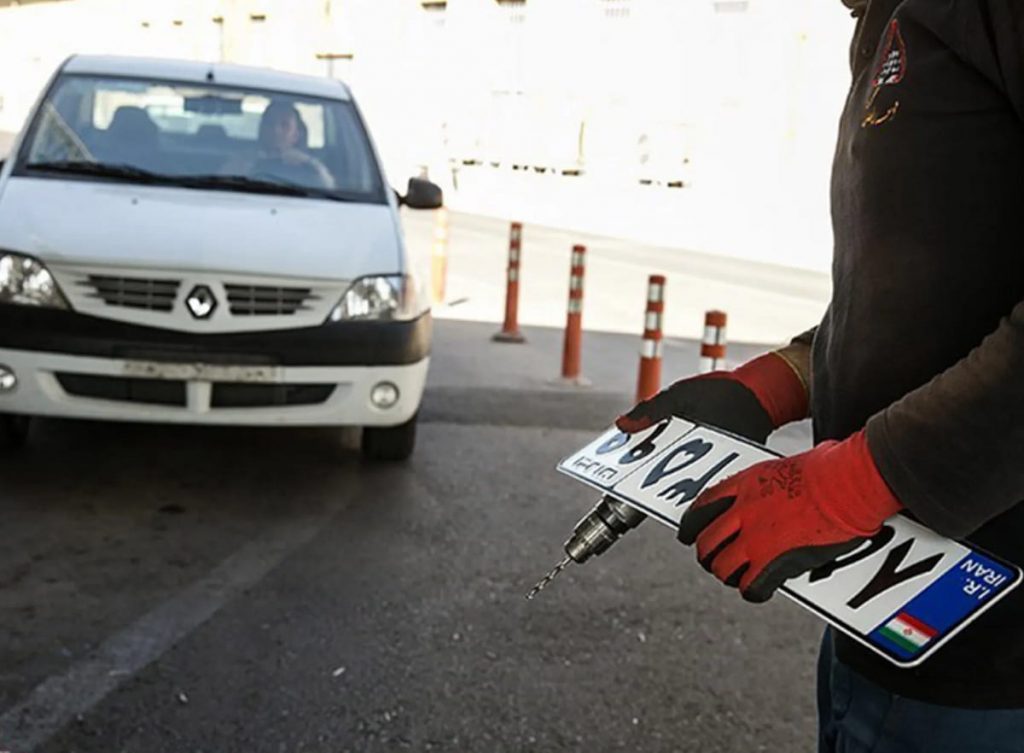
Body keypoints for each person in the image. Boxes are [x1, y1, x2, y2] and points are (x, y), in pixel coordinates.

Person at [615, 1, 1024, 750]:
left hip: (996, 668)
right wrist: (775, 382)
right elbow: (933, 291)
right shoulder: (890, 16)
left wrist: (851, 484)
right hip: (890, 615)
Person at [225, 101, 334, 189]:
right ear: (262, 129)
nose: (276, 130)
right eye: (270, 124)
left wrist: (309, 163)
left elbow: (331, 188)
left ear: (296, 134)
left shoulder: (308, 166)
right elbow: (221, 185)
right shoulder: (245, 158)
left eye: (285, 125)